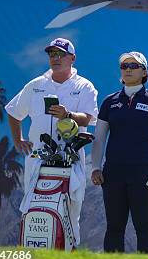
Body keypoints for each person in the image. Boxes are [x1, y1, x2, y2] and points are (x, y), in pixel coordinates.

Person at [6, 37, 98, 247]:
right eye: (51, 54)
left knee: (71, 210)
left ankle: (69, 254)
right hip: (37, 158)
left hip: (71, 158)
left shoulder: (84, 86)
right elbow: (13, 111)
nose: (55, 58)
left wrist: (69, 115)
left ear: (72, 58)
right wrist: (18, 139)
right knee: (34, 207)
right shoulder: (36, 85)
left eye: (60, 54)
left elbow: (89, 118)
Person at [90, 51, 148, 254]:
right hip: (113, 173)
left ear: (144, 71)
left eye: (133, 66)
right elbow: (99, 138)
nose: (127, 69)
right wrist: (95, 167)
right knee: (114, 228)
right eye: (124, 66)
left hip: (143, 172)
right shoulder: (110, 102)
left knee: (144, 226)